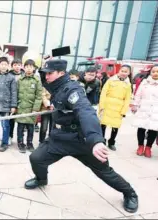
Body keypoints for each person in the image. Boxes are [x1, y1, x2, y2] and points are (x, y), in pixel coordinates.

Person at [24, 59, 138, 214]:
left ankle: (130, 193)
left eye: (50, 73)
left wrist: (96, 140)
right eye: (45, 73)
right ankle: (41, 179)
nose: (47, 77)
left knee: (104, 172)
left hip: (81, 140)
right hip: (59, 137)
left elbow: (85, 111)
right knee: (36, 158)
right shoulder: (56, 87)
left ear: (62, 73)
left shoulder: (73, 90)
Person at [99, 65, 132, 151]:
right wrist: (101, 106)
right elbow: (103, 93)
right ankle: (102, 140)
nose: (124, 73)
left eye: (126, 71)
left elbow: (128, 98)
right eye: (122, 71)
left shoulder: (128, 84)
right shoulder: (110, 80)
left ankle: (111, 142)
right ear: (119, 71)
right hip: (107, 105)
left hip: (118, 109)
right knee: (103, 125)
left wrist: (124, 111)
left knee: (115, 127)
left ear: (129, 73)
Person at [15, 59, 42, 153]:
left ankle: (29, 143)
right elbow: (16, 94)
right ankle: (20, 143)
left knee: (31, 128)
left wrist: (35, 109)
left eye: (31, 67)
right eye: (27, 67)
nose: (29, 69)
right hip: (21, 108)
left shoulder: (37, 80)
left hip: (31, 109)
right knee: (20, 128)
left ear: (34, 68)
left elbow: (39, 96)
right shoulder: (20, 80)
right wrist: (16, 105)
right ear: (24, 68)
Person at [131, 64, 158, 158]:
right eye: (153, 71)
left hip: (156, 110)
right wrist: (135, 105)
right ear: (150, 72)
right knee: (141, 127)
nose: (155, 73)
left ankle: (148, 148)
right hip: (144, 108)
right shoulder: (145, 82)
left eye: (157, 72)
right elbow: (138, 94)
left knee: (153, 129)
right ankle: (140, 146)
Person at [8, 58, 24, 145]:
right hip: (11, 101)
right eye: (15, 65)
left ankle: (20, 140)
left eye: (19, 65)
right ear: (12, 66)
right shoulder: (9, 74)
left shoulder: (24, 74)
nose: (17, 67)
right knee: (11, 121)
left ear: (21, 66)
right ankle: (10, 137)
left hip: (22, 100)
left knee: (22, 122)